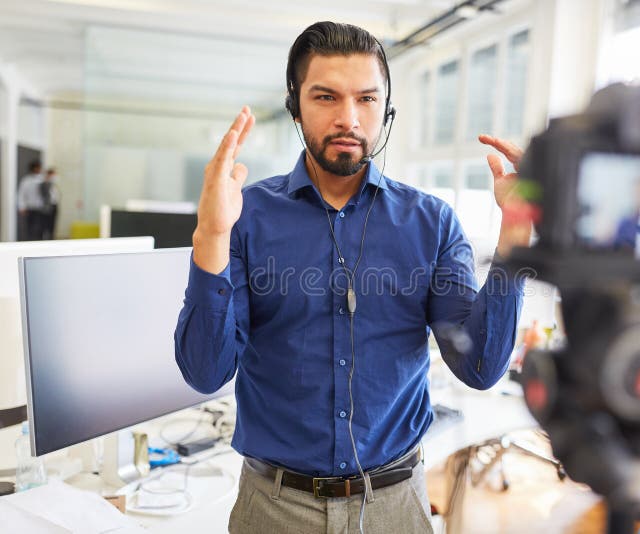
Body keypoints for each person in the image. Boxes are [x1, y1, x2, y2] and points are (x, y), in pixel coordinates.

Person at [174, 21, 532, 534]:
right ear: (295, 106)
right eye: (325, 97)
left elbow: (479, 366)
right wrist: (210, 234)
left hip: (396, 506)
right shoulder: (244, 216)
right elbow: (205, 372)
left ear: (386, 109)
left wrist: (515, 239)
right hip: (273, 508)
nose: (348, 118)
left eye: (367, 99)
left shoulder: (432, 222)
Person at [17, 161, 46, 240]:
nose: (38, 169)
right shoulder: (26, 180)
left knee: (41, 228)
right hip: (30, 208)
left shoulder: (43, 179)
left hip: (41, 209)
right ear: (32, 168)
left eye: (39, 168)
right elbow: (21, 194)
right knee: (30, 228)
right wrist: (22, 207)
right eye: (37, 168)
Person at [40, 168, 61, 240]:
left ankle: (51, 237)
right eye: (53, 174)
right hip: (47, 207)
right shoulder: (44, 184)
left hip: (55, 205)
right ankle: (45, 238)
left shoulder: (54, 185)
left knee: (53, 224)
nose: (55, 176)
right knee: (46, 224)